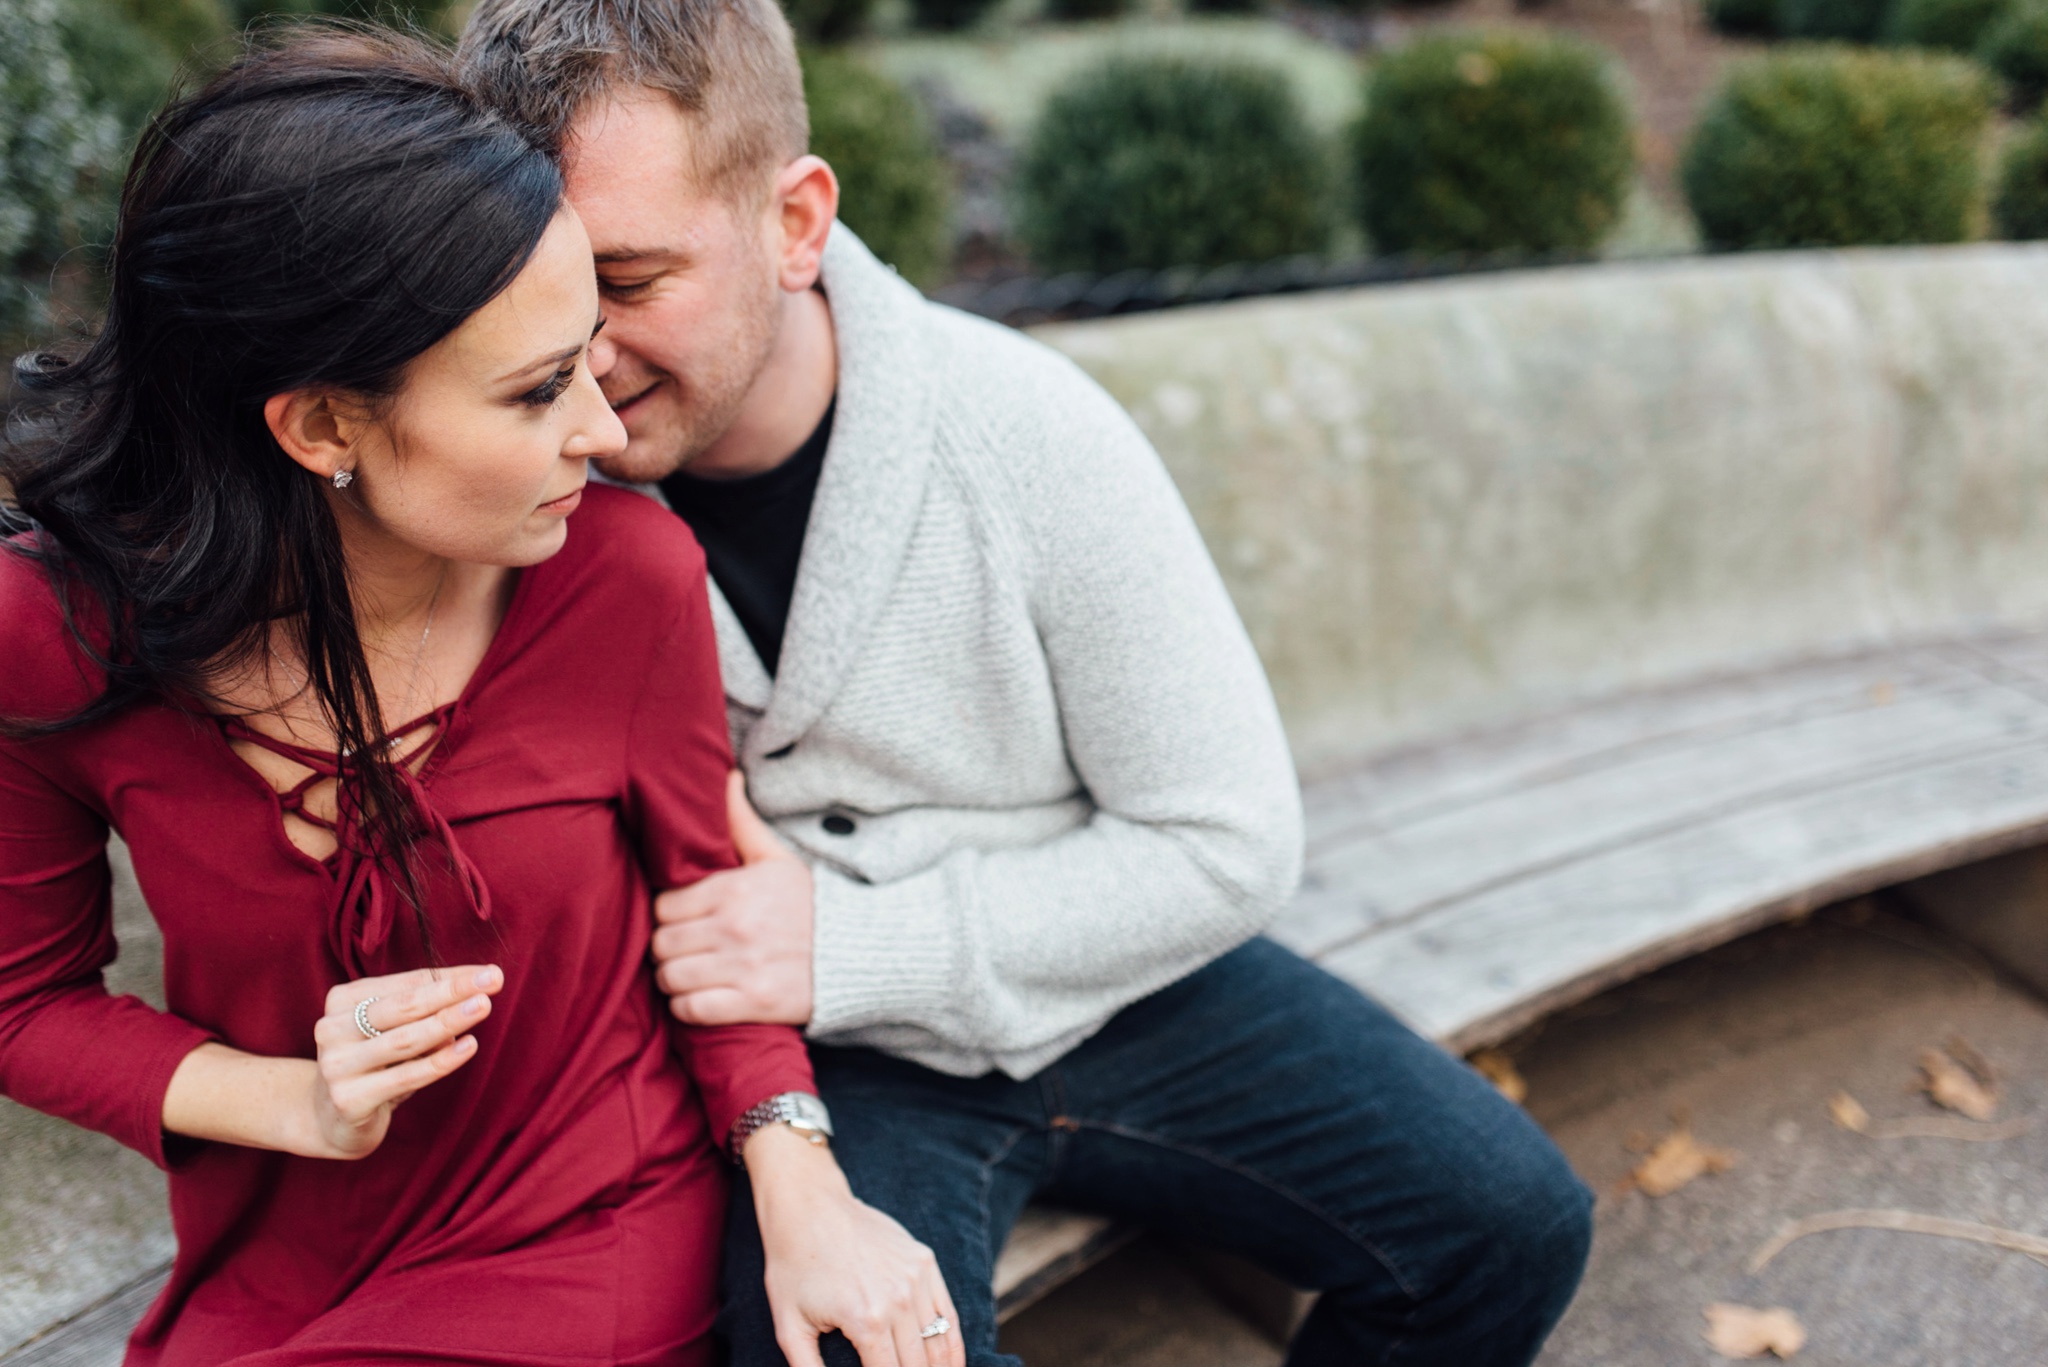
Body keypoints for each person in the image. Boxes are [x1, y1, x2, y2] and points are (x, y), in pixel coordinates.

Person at [459, 3, 1596, 1363]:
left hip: (1108, 974)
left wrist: (849, 947)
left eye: (633, 283)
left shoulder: (1032, 430)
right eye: (543, 296)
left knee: (1509, 1224)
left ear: (796, 222)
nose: (581, 363)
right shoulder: (518, 495)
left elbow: (1228, 840)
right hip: (832, 1065)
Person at [0, 31, 964, 1367]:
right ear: (322, 427)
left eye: (586, 353)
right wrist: (298, 1103)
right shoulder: (51, 629)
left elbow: (713, 920)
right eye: (535, 390)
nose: (606, 431)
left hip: (602, 1242)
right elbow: (26, 1002)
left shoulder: (627, 574)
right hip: (275, 1289)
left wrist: (802, 1187)